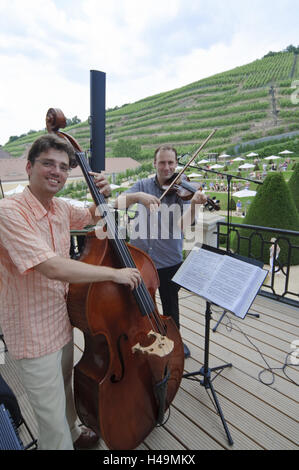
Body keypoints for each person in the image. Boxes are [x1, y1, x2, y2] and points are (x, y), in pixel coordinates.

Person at [0, 134, 141, 450]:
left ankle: (75, 433)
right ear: (29, 167)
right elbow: (51, 267)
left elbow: (94, 212)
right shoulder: (9, 211)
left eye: (63, 167)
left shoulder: (59, 207)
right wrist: (114, 274)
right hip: (31, 332)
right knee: (50, 419)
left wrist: (129, 198)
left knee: (64, 387)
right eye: (48, 163)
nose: (56, 172)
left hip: (60, 322)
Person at [114, 145, 207, 359]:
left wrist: (194, 205)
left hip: (169, 260)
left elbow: (181, 226)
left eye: (171, 163)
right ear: (154, 163)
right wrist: (138, 197)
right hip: (140, 259)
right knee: (140, 304)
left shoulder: (182, 191)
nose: (167, 167)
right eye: (162, 162)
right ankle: (144, 340)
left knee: (170, 306)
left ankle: (175, 342)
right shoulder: (142, 185)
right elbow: (116, 203)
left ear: (176, 165)